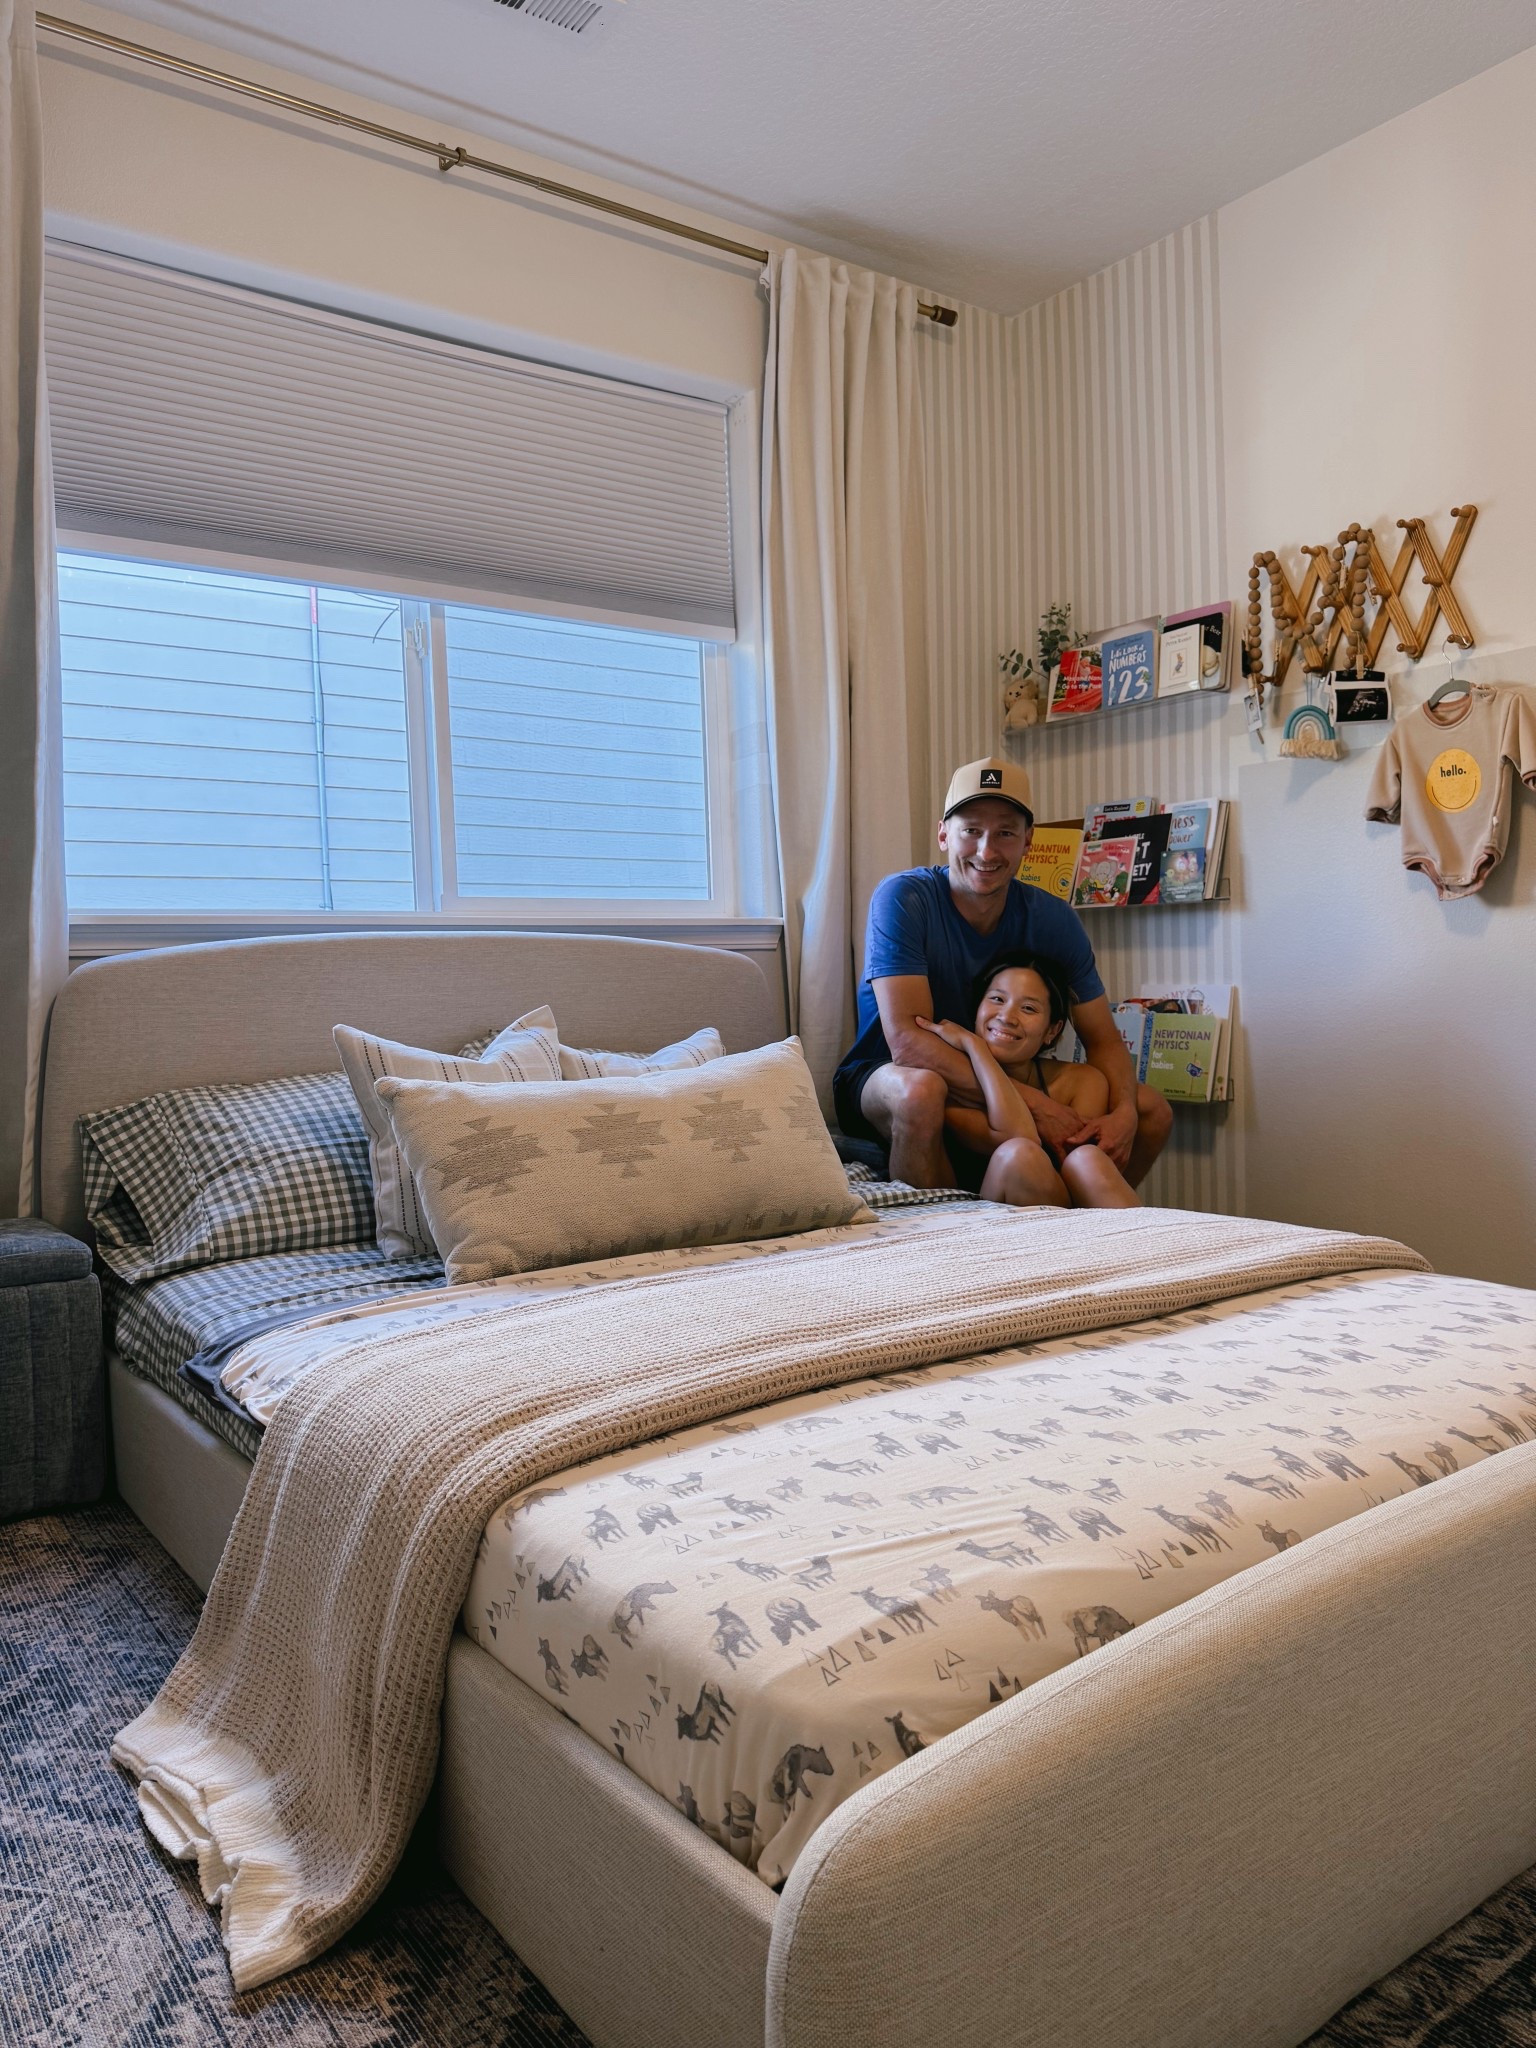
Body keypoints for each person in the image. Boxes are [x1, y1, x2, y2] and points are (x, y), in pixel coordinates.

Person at [831, 755, 1172, 1190]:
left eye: (1005, 833)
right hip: (885, 1073)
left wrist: (1123, 1115)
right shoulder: (904, 898)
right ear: (943, 834)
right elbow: (907, 1045)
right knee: (921, 1092)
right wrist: (1033, 1106)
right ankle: (931, 1237)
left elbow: (1103, 1039)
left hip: (1006, 1071)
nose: (986, 851)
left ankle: (1086, 1220)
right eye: (971, 830)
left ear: (1028, 841)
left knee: (1149, 1110)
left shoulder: (1053, 919)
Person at [914, 954, 1139, 1208]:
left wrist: (977, 1049)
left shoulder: (1083, 1081)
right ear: (977, 1009)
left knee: (1086, 1158)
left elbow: (1076, 1177)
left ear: (1052, 1031)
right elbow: (1017, 1134)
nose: (1007, 1017)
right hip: (986, 1223)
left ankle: (1153, 1240)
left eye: (1028, 1008)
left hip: (1067, 1218)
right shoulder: (951, 1088)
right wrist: (976, 1049)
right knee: (1019, 1156)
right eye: (997, 999)